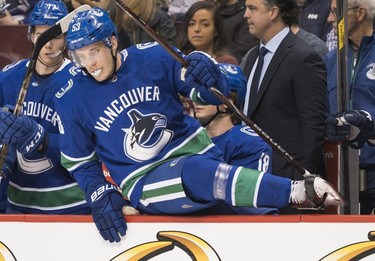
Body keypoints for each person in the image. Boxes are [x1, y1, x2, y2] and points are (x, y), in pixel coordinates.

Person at [54, 7, 343, 243]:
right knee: (196, 173)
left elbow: (204, 94)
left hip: (201, 154)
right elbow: (79, 162)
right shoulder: (71, 98)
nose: (87, 64)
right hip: (145, 179)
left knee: (259, 219)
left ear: (112, 43)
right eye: (78, 56)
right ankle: (296, 192)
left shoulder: (153, 56)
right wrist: (99, 193)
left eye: (93, 52)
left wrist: (210, 75)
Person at [0, 0, 90, 214]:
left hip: (72, 206)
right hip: (18, 206)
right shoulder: (8, 78)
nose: (48, 44)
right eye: (42, 35)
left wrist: (43, 141)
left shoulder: (83, 82)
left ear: (66, 39)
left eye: (55, 36)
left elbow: (91, 146)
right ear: (30, 35)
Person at [240, 0, 327, 181]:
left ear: (273, 13)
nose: (246, 15)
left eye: (252, 9)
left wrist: (300, 178)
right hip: (252, 173)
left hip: (287, 178)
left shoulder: (304, 57)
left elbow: (313, 125)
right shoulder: (251, 57)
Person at [194, 63, 278, 214]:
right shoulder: (187, 139)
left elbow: (252, 204)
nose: (198, 98)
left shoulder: (250, 143)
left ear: (228, 103)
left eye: (207, 92)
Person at [325, 0, 375, 215]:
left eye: (337, 12)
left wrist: (368, 121)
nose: (330, 19)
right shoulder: (330, 60)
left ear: (361, 13)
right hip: (340, 175)